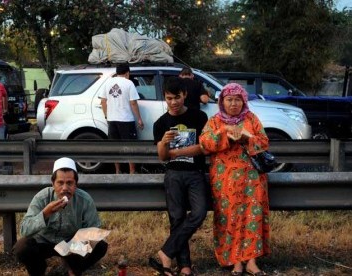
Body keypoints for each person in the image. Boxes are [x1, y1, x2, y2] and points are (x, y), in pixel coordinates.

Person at [199, 83, 270, 276]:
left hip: (252, 179)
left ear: (243, 101)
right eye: (229, 100)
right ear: (222, 101)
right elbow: (205, 143)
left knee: (251, 217)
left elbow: (264, 142)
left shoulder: (252, 119)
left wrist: (248, 139)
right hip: (225, 180)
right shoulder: (214, 121)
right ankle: (235, 261)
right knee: (229, 218)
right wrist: (225, 134)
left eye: (237, 99)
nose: (233, 104)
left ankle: (252, 262)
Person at [149, 77, 208, 276]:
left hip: (195, 173)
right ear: (164, 98)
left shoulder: (199, 117)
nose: (173, 102)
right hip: (173, 174)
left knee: (199, 213)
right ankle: (185, 266)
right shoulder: (161, 123)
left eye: (177, 97)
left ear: (185, 95)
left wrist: (177, 152)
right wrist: (165, 144)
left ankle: (166, 251)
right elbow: (163, 158)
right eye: (169, 98)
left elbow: (203, 148)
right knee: (177, 218)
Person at [13, 157, 108, 276]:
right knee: (22, 247)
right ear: (53, 183)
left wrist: (79, 244)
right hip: (44, 242)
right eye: (60, 183)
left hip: (71, 245)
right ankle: (39, 270)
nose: (65, 188)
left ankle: (71, 270)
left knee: (101, 245)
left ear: (76, 184)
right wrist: (45, 214)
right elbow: (24, 230)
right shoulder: (42, 197)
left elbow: (95, 231)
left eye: (69, 183)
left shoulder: (84, 200)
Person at [99, 63, 144, 174]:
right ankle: (131, 171)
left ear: (117, 72)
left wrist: (106, 116)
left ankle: (118, 171)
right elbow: (133, 102)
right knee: (130, 147)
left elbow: (103, 101)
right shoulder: (129, 83)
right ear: (127, 73)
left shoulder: (108, 82)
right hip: (126, 120)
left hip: (112, 120)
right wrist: (139, 119)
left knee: (115, 147)